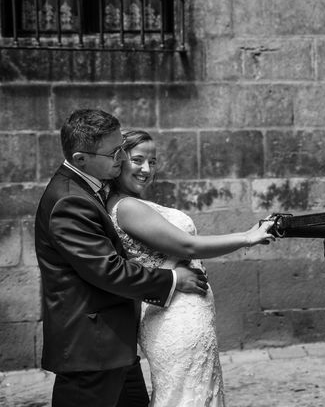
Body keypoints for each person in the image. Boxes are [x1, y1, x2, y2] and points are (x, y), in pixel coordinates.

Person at [34, 109, 209, 407]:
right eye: (115, 152)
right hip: (90, 349)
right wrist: (174, 278)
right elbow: (109, 271)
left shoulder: (89, 187)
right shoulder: (69, 200)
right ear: (81, 159)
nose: (122, 158)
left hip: (113, 343)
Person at [106, 129, 275, 407]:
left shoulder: (132, 203)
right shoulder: (126, 207)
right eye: (137, 160)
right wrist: (248, 237)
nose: (147, 169)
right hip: (174, 321)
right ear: (118, 160)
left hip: (186, 318)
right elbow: (187, 247)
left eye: (153, 161)